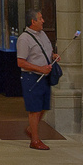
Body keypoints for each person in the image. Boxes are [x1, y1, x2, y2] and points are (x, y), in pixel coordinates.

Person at [16, 11, 58, 150]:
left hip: (45, 76)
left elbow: (46, 51)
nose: (43, 21)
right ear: (33, 22)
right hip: (32, 78)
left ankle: (31, 129)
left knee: (44, 107)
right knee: (34, 109)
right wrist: (40, 69)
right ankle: (35, 140)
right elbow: (21, 62)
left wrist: (53, 56)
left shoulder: (43, 34)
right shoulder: (24, 39)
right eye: (40, 18)